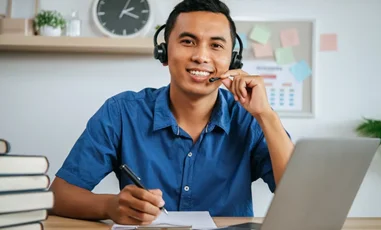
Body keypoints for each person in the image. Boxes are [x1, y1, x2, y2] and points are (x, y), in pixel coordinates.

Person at [50, 0, 294, 225]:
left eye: (216, 45)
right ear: (165, 53)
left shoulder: (249, 120)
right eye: (188, 41)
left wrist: (266, 115)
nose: (200, 56)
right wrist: (109, 206)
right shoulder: (121, 113)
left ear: (233, 59)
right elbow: (59, 195)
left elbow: (297, 196)